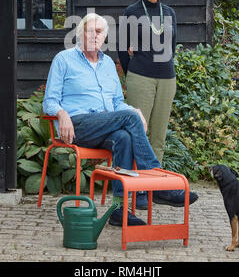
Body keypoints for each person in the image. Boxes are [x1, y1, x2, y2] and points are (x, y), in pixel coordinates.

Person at [43, 13, 198, 227]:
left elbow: (116, 103)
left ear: (105, 37)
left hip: (104, 126)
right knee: (129, 118)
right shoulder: (64, 59)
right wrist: (62, 114)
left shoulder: (107, 64)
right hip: (77, 125)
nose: (94, 36)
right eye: (90, 31)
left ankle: (119, 210)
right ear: (80, 34)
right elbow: (49, 100)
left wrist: (134, 110)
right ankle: (156, 183)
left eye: (99, 32)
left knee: (123, 137)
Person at [118, 0, 184, 210]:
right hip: (140, 77)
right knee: (140, 132)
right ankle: (139, 190)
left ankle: (154, 185)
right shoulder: (131, 11)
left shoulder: (170, 13)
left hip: (167, 78)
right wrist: (134, 72)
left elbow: (173, 45)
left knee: (158, 135)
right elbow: (122, 49)